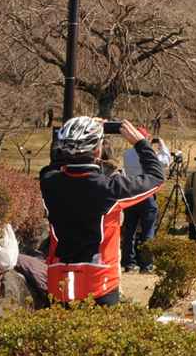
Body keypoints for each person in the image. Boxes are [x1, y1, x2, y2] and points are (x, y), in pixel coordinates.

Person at [40, 117, 165, 304]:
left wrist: (75, 132)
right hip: (99, 282)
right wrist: (140, 143)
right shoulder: (108, 188)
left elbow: (54, 165)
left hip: (59, 280)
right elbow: (156, 177)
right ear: (98, 150)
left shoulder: (49, 182)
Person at [121, 133, 172, 273]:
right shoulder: (149, 155)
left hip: (131, 194)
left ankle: (128, 263)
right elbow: (166, 161)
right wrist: (162, 145)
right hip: (147, 194)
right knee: (148, 231)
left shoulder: (127, 154)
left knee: (129, 231)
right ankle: (146, 265)